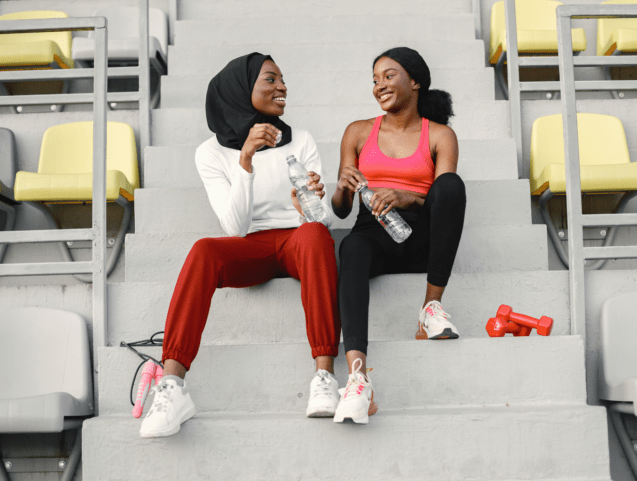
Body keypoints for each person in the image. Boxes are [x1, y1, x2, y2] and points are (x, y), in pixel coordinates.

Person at [140, 53, 341, 438]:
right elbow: (235, 227)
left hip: (300, 239)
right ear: (241, 90)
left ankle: (324, 377)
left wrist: (308, 209)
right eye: (270, 79)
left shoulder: (300, 140)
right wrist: (246, 160)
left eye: (283, 79)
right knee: (203, 250)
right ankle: (172, 386)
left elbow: (323, 224)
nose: (282, 87)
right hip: (250, 247)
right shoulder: (211, 153)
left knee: (316, 235)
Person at [331, 47, 467, 424]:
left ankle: (430, 309)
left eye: (389, 76)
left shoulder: (440, 135)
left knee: (452, 185)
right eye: (375, 79)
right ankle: (358, 378)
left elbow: (445, 200)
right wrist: (341, 185)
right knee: (351, 246)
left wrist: (408, 196)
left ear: (415, 81)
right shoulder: (358, 132)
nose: (379, 85)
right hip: (374, 233)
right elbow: (341, 209)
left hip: (422, 236)